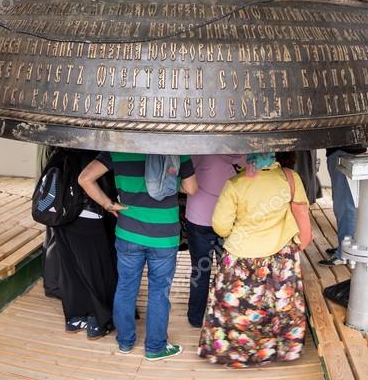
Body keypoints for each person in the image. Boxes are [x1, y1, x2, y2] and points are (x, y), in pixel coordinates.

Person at [79, 153, 198, 360]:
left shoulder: (117, 148)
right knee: (159, 292)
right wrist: (170, 183)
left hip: (128, 233)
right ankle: (155, 348)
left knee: (125, 287)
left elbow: (84, 178)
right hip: (164, 237)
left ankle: (125, 342)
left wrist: (108, 204)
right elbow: (191, 188)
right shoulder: (178, 151)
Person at [198, 151, 308, 368]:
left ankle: (240, 353)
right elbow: (303, 218)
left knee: (239, 308)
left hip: (241, 256)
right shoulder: (290, 177)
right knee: (278, 305)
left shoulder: (235, 183)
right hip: (280, 258)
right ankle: (275, 350)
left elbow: (220, 226)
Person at [48, 148, 118, 339]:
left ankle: (74, 318)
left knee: (71, 270)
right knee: (98, 270)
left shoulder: (58, 154)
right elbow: (105, 186)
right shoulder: (96, 155)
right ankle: (98, 320)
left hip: (61, 217)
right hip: (90, 216)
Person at [185, 154, 246, 328]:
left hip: (198, 218)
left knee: (200, 270)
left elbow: (185, 179)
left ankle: (196, 317)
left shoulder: (198, 149)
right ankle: (225, 315)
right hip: (228, 219)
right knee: (227, 270)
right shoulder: (237, 150)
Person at [320, 144, 367, 265]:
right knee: (345, 202)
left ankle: (345, 252)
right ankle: (347, 245)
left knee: (344, 206)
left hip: (342, 152)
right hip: (349, 150)